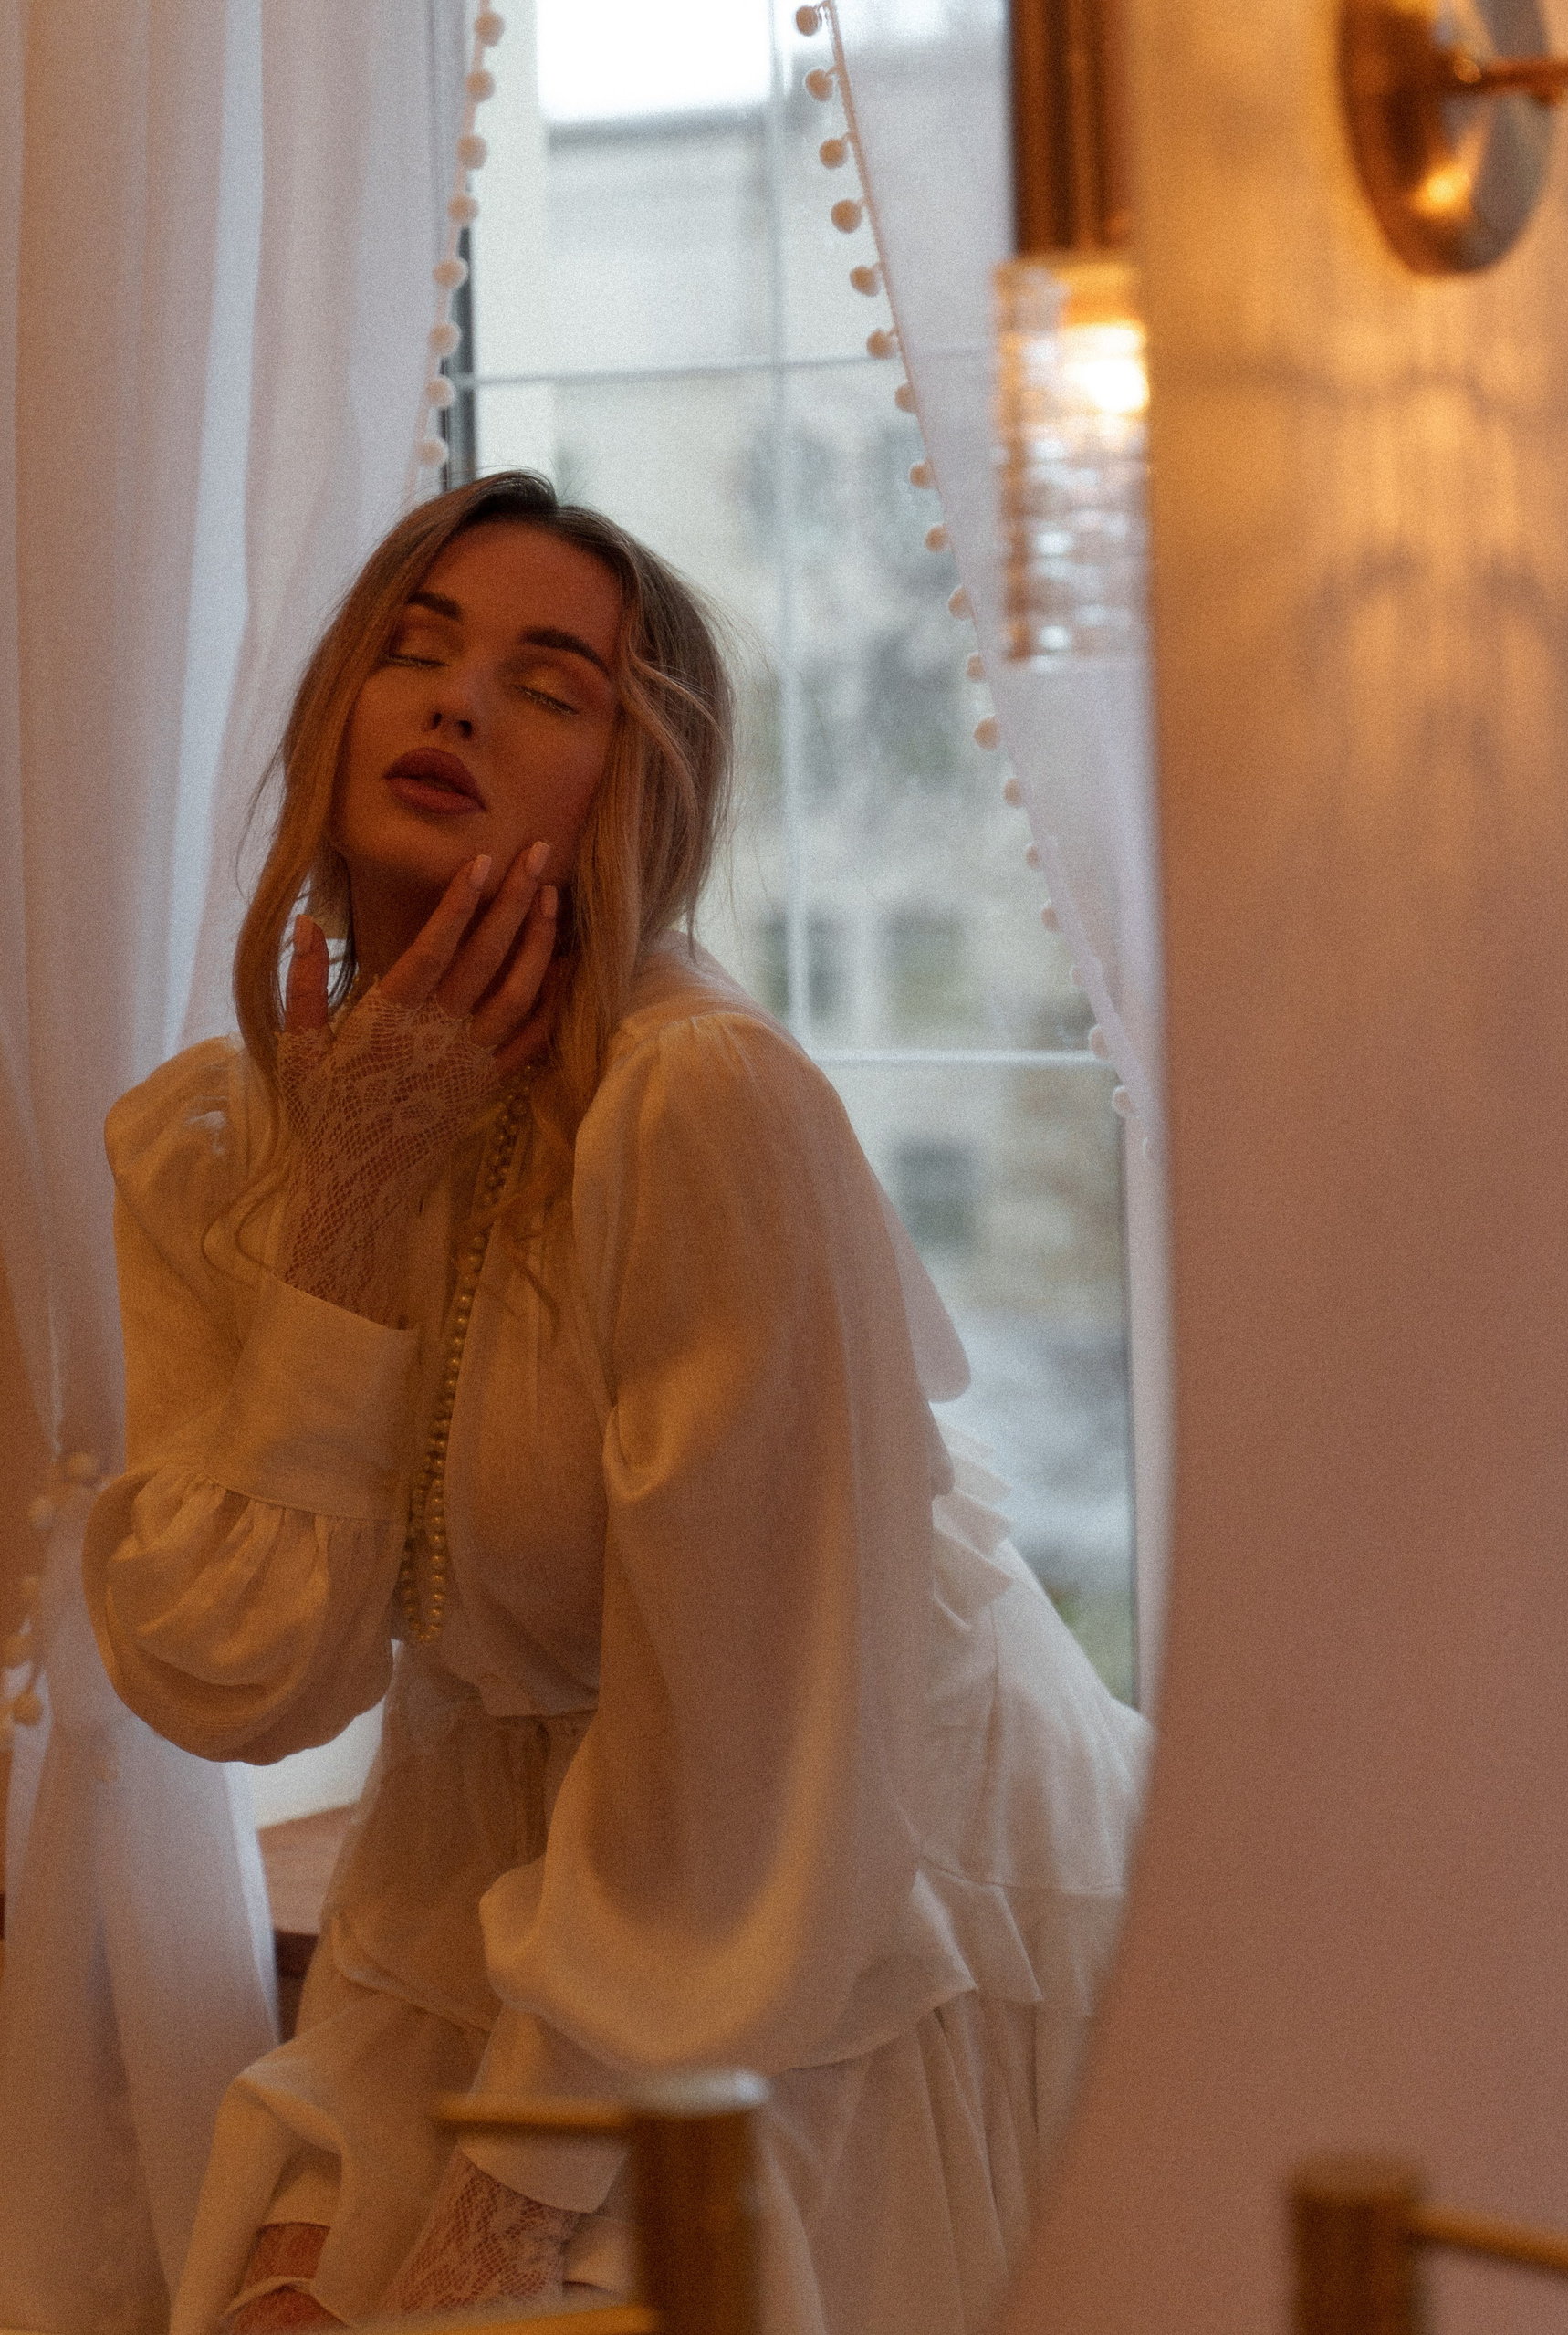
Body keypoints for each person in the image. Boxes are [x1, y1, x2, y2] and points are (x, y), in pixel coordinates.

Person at [82, 471, 1150, 2335]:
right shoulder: (216, 1141)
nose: (457, 702)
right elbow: (235, 1678)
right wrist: (351, 1203)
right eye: (416, 650)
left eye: (547, 683)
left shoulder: (701, 1106)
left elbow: (747, 1752)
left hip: (813, 1902)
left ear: (631, 788)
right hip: (469, 1890)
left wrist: (510, 2200)